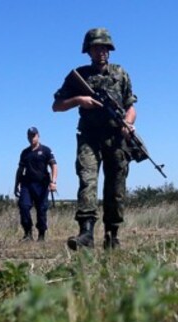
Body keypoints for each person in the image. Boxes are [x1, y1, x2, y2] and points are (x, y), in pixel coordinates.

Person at [52, 27, 137, 250]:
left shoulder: (120, 73)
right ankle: (86, 234)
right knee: (87, 182)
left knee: (116, 188)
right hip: (89, 138)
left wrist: (128, 122)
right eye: (96, 47)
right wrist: (80, 100)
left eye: (105, 47)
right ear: (88, 51)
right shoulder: (79, 76)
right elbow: (57, 106)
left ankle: (112, 235)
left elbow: (131, 106)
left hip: (116, 139)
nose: (101, 52)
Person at [14, 127, 58, 242]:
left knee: (41, 210)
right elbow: (20, 169)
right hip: (27, 185)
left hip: (42, 185)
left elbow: (54, 166)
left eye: (33, 135)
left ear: (38, 136)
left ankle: (41, 235)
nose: (31, 138)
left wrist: (53, 182)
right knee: (23, 206)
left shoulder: (46, 150)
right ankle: (27, 234)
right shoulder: (25, 152)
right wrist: (16, 184)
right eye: (29, 136)